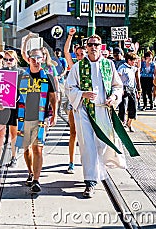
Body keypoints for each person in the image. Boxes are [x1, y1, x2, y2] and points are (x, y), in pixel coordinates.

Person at [65, 34, 130, 198]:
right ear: (86, 47)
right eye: (90, 44)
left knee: (101, 144)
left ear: (101, 46)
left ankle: (95, 171)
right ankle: (90, 182)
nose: (93, 47)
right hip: (84, 111)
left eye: (96, 44)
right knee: (88, 145)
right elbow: (69, 88)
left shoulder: (109, 65)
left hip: (103, 110)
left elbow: (117, 85)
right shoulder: (78, 67)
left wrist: (114, 97)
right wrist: (82, 93)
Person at [16, 44, 57, 194]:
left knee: (38, 149)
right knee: (27, 149)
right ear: (28, 59)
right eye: (33, 58)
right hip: (24, 117)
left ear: (43, 58)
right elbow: (12, 96)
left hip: (41, 117)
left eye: (40, 57)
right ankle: (30, 172)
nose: (36, 61)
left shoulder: (48, 77)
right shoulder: (21, 76)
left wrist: (55, 114)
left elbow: (53, 97)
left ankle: (36, 180)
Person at [0, 50, 24, 169]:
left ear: (16, 60)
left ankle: (14, 157)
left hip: (15, 107)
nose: (8, 62)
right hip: (1, 108)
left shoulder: (21, 73)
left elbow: (23, 92)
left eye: (11, 59)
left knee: (14, 133)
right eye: (6, 59)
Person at [62, 27, 85, 174]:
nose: (80, 56)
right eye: (78, 54)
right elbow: (65, 52)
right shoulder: (74, 66)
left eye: (82, 54)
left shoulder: (91, 66)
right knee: (73, 133)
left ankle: (87, 159)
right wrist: (70, 36)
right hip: (74, 103)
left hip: (88, 104)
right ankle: (71, 162)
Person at [117, 52, 141, 132]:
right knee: (123, 107)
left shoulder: (133, 68)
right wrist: (120, 88)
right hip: (124, 88)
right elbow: (118, 77)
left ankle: (129, 123)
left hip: (132, 89)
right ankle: (121, 123)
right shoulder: (122, 67)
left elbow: (136, 79)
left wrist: (138, 89)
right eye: (133, 61)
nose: (135, 62)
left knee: (133, 107)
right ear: (129, 60)